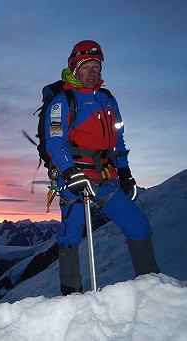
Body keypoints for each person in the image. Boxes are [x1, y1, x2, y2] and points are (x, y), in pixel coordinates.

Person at [44, 40, 161, 295]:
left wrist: (125, 172)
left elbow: (118, 140)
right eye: (87, 67)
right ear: (74, 68)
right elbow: (55, 142)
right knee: (71, 236)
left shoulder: (108, 100)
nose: (93, 72)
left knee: (138, 224)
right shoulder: (62, 102)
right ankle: (72, 296)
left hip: (105, 178)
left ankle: (154, 290)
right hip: (75, 179)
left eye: (96, 66)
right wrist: (68, 172)